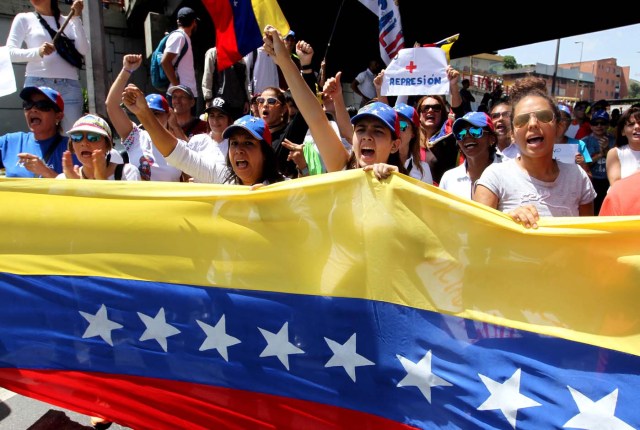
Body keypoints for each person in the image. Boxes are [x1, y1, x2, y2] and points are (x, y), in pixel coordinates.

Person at [263, 26, 403, 179]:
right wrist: (284, 61)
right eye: (361, 129)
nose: (367, 137)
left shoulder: (407, 186)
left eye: (378, 131)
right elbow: (315, 118)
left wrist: (394, 182)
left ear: (395, 145)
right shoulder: (343, 170)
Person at [473, 76, 596, 229]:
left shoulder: (578, 177)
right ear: (513, 134)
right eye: (521, 120)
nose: (532, 124)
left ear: (558, 127)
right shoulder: (494, 178)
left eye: (543, 116)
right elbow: (476, 235)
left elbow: (589, 236)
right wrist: (507, 219)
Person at [122, 83, 286, 186]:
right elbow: (179, 154)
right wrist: (143, 113)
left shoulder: (284, 188)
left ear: (265, 153)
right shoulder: (223, 178)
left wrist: (267, 197)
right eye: (234, 143)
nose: (239, 150)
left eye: (248, 143)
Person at [6, 0, 89, 133]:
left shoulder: (68, 20)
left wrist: (76, 18)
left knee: (72, 135)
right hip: (38, 84)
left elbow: (84, 50)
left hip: (69, 85)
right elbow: (10, 52)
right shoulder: (24, 19)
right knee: (41, 133)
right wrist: (37, 52)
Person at [105, 54, 182, 181]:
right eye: (146, 111)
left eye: (156, 113)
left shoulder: (178, 143)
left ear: (168, 114)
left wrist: (176, 127)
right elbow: (111, 105)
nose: (150, 116)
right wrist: (126, 69)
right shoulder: (135, 137)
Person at [0, 86, 68, 178]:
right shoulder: (9, 142)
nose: (33, 109)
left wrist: (46, 172)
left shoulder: (72, 148)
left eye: (42, 106)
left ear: (58, 116)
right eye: (28, 104)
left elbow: (81, 188)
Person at [416, 69, 464, 184]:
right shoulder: (411, 139)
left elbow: (458, 112)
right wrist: (379, 89)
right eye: (425, 108)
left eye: (436, 108)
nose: (430, 110)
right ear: (418, 115)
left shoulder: (449, 137)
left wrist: (453, 85)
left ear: (442, 114)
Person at [57, 114, 140, 180]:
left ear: (107, 145)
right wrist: (74, 186)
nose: (84, 143)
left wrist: (101, 179)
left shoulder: (127, 173)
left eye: (93, 137)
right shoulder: (63, 179)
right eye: (77, 137)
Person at [440, 112, 498, 199]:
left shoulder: (508, 173)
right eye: (461, 133)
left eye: (475, 131)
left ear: (492, 139)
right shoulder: (448, 178)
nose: (467, 136)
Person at [161, 7, 198, 98]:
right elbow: (165, 61)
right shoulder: (179, 36)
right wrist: (178, 88)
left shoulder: (183, 37)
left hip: (187, 93)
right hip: (181, 94)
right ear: (193, 23)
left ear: (178, 21)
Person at [582, 109, 614, 214]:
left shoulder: (615, 140)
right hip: (591, 180)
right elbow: (584, 164)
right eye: (595, 123)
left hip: (609, 181)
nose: (599, 126)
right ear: (591, 126)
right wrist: (600, 154)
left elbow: (618, 160)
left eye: (603, 123)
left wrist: (607, 150)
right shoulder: (584, 141)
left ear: (608, 125)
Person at [202, 47, 250, 116]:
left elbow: (244, 81)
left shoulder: (239, 56)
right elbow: (207, 76)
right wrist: (208, 98)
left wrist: (246, 100)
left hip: (238, 103)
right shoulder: (213, 53)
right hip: (219, 101)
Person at [393, 103, 433, 184]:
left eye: (401, 125)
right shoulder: (379, 161)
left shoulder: (424, 169)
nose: (396, 130)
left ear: (413, 133)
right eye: (393, 124)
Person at [606, 106, 640, 186]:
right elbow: (615, 185)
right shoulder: (615, 153)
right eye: (631, 124)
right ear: (623, 132)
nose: (637, 127)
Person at [555, 103, 592, 176]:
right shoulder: (542, 144)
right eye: (557, 119)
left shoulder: (580, 144)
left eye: (564, 119)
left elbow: (589, 176)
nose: (560, 122)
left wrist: (582, 164)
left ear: (569, 123)